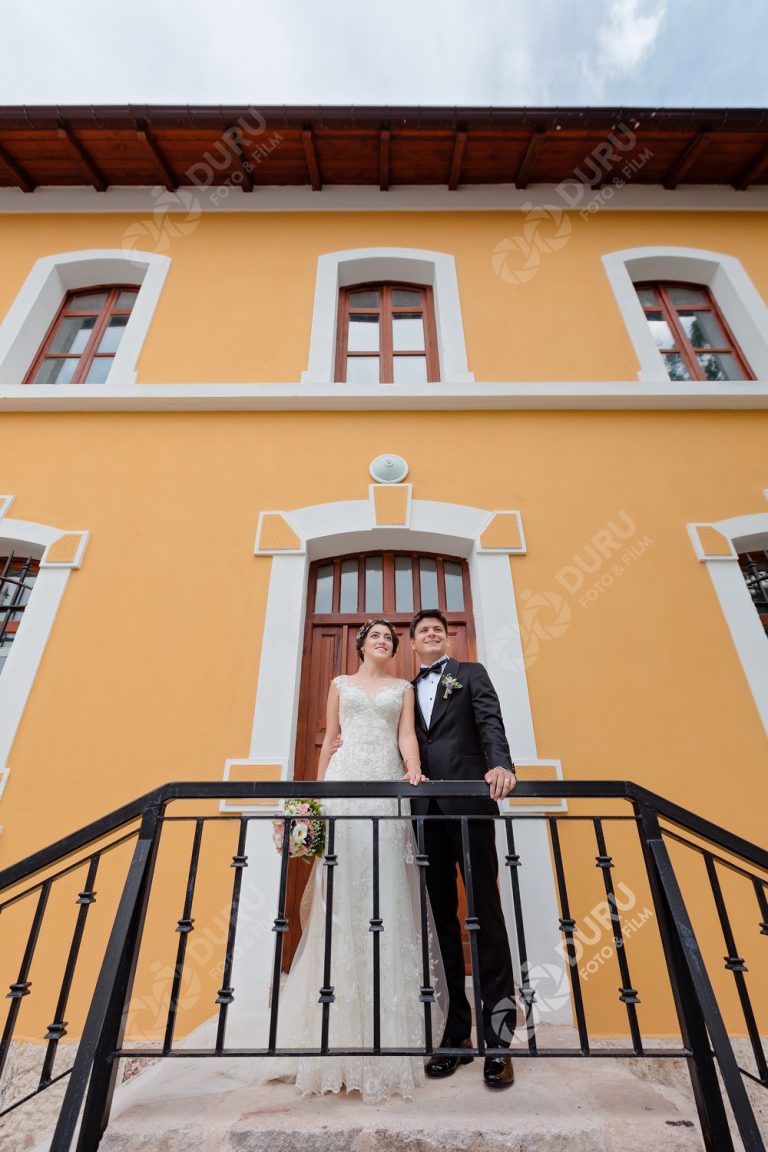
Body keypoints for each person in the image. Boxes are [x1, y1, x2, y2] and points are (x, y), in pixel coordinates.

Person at [276, 616, 439, 1102]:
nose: (384, 643)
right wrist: (316, 804)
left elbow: (406, 736)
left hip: (386, 784)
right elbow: (329, 739)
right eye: (377, 637)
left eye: (390, 638)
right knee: (341, 892)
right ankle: (333, 1029)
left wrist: (412, 768)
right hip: (345, 786)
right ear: (361, 644)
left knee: (386, 891)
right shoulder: (339, 683)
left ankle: (387, 1030)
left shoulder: (403, 689)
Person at [409, 608, 517, 1089]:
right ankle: (457, 1036)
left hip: (472, 804)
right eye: (423, 631)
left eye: (439, 629)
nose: (431, 634)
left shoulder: (470, 675)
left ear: (447, 640)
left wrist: (500, 765)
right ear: (413, 644)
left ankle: (499, 1042)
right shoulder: (403, 692)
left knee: (486, 917)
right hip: (424, 813)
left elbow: (490, 721)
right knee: (443, 922)